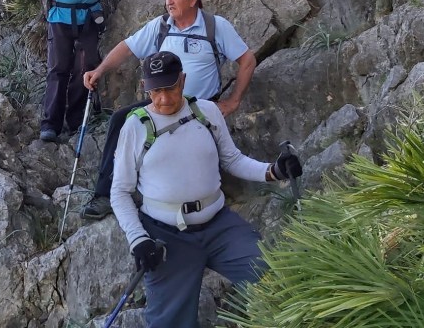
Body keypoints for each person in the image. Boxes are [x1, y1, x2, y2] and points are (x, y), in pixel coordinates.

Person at [111, 51, 302, 327]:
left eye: (171, 87)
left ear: (183, 80)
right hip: (166, 236)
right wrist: (138, 239)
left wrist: (274, 171)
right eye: (156, 90)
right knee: (169, 322)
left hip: (219, 225)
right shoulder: (136, 126)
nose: (164, 98)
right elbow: (120, 192)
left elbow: (233, 160)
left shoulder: (206, 112)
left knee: (273, 276)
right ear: (145, 88)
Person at [80, 0, 256, 218]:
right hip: (162, 104)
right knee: (121, 119)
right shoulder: (161, 26)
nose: (168, 2)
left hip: (198, 107)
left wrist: (233, 101)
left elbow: (247, 60)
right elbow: (127, 47)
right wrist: (99, 70)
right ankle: (106, 194)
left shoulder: (216, 26)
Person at [34, 0, 116, 143]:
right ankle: (50, 124)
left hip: (89, 18)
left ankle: (77, 121)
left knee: (86, 68)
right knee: (58, 69)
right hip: (60, 17)